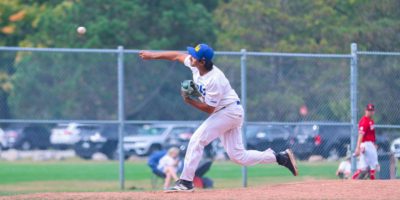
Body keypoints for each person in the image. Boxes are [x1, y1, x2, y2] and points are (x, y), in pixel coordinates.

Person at [139, 43, 298, 192]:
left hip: (228, 112)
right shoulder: (196, 66)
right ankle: (281, 158)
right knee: (238, 157)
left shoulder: (215, 79)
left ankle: (186, 182)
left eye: (194, 55)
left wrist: (189, 100)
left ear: (202, 61)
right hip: (228, 112)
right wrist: (152, 55)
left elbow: (209, 109)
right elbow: (176, 56)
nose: (190, 56)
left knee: (197, 140)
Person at [352, 103, 379, 180]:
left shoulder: (371, 121)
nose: (370, 112)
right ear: (365, 111)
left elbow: (371, 135)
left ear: (373, 111)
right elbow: (361, 135)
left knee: (365, 167)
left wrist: (373, 144)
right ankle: (371, 183)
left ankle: (356, 179)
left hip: (370, 144)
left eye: (371, 110)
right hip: (366, 144)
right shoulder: (364, 121)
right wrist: (358, 147)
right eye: (368, 110)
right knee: (374, 166)